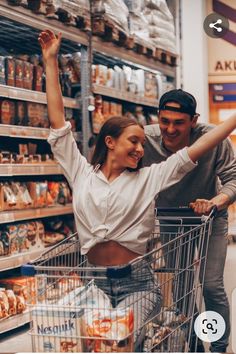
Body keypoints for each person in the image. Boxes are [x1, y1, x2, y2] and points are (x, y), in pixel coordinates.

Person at [38, 30, 236, 351]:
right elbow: (58, 123)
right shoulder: (81, 172)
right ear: (110, 142)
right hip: (95, 283)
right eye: (135, 142)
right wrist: (49, 61)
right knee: (94, 344)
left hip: (138, 282)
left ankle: (215, 344)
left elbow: (199, 148)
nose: (142, 150)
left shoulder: (149, 178)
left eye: (144, 144)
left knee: (127, 338)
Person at [143, 88, 236, 353]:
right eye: (164, 121)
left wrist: (218, 201)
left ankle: (218, 347)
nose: (170, 129)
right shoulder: (145, 140)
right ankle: (195, 344)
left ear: (193, 121)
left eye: (179, 123)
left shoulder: (213, 139)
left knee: (211, 285)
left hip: (210, 218)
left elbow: (233, 178)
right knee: (182, 286)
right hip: (171, 220)